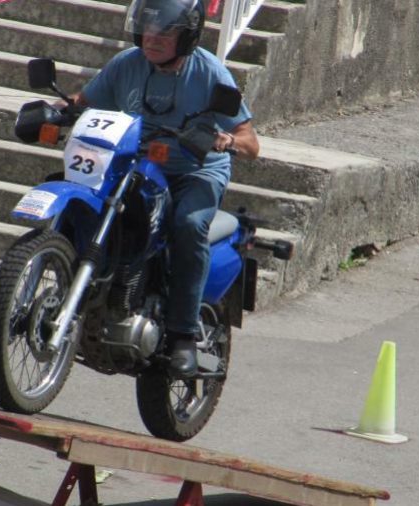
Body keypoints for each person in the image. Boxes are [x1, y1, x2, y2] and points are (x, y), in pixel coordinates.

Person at [66, 0, 259, 378]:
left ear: (187, 36)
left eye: (165, 32)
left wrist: (226, 140)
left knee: (188, 224)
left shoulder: (210, 73)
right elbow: (84, 102)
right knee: (86, 202)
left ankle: (183, 335)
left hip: (195, 171)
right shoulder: (126, 64)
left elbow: (250, 142)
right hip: (138, 163)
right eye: (148, 28)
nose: (152, 38)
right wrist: (58, 108)